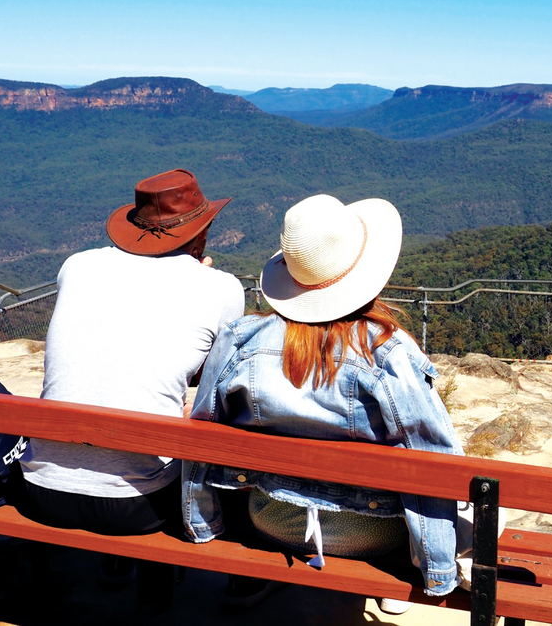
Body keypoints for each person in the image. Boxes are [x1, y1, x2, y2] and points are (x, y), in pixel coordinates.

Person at [182, 193, 464, 610]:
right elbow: (435, 461)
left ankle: (249, 580)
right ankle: (392, 587)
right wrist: (436, 571)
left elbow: (202, 437)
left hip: (271, 519)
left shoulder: (240, 340)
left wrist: (203, 525)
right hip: (373, 533)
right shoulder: (386, 352)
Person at [17, 168, 246, 605]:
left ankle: (115, 564)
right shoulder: (220, 288)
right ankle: (165, 591)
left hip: (42, 491)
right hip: (139, 507)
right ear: (199, 236)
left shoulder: (77, 265)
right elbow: (206, 377)